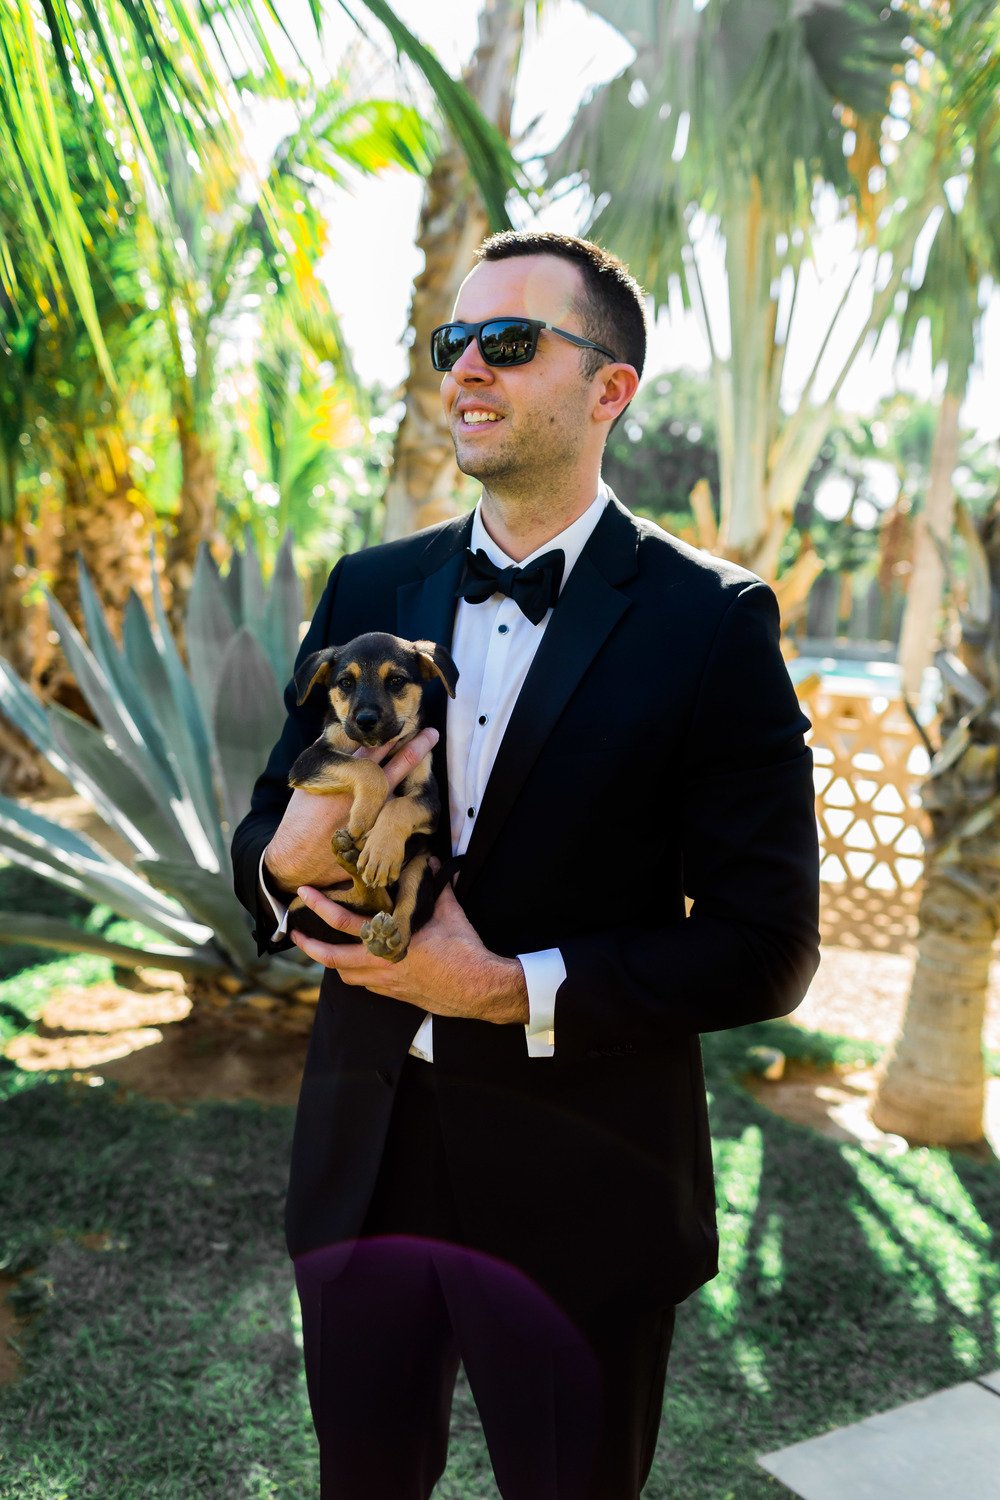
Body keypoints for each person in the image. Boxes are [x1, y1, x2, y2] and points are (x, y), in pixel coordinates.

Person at [231, 230, 821, 1498]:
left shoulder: (712, 623)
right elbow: (267, 837)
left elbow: (766, 944)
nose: (467, 372)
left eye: (509, 342)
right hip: (362, 1159)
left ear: (610, 388)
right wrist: (276, 870)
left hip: (586, 1186)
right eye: (454, 344)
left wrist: (505, 988)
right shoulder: (369, 585)